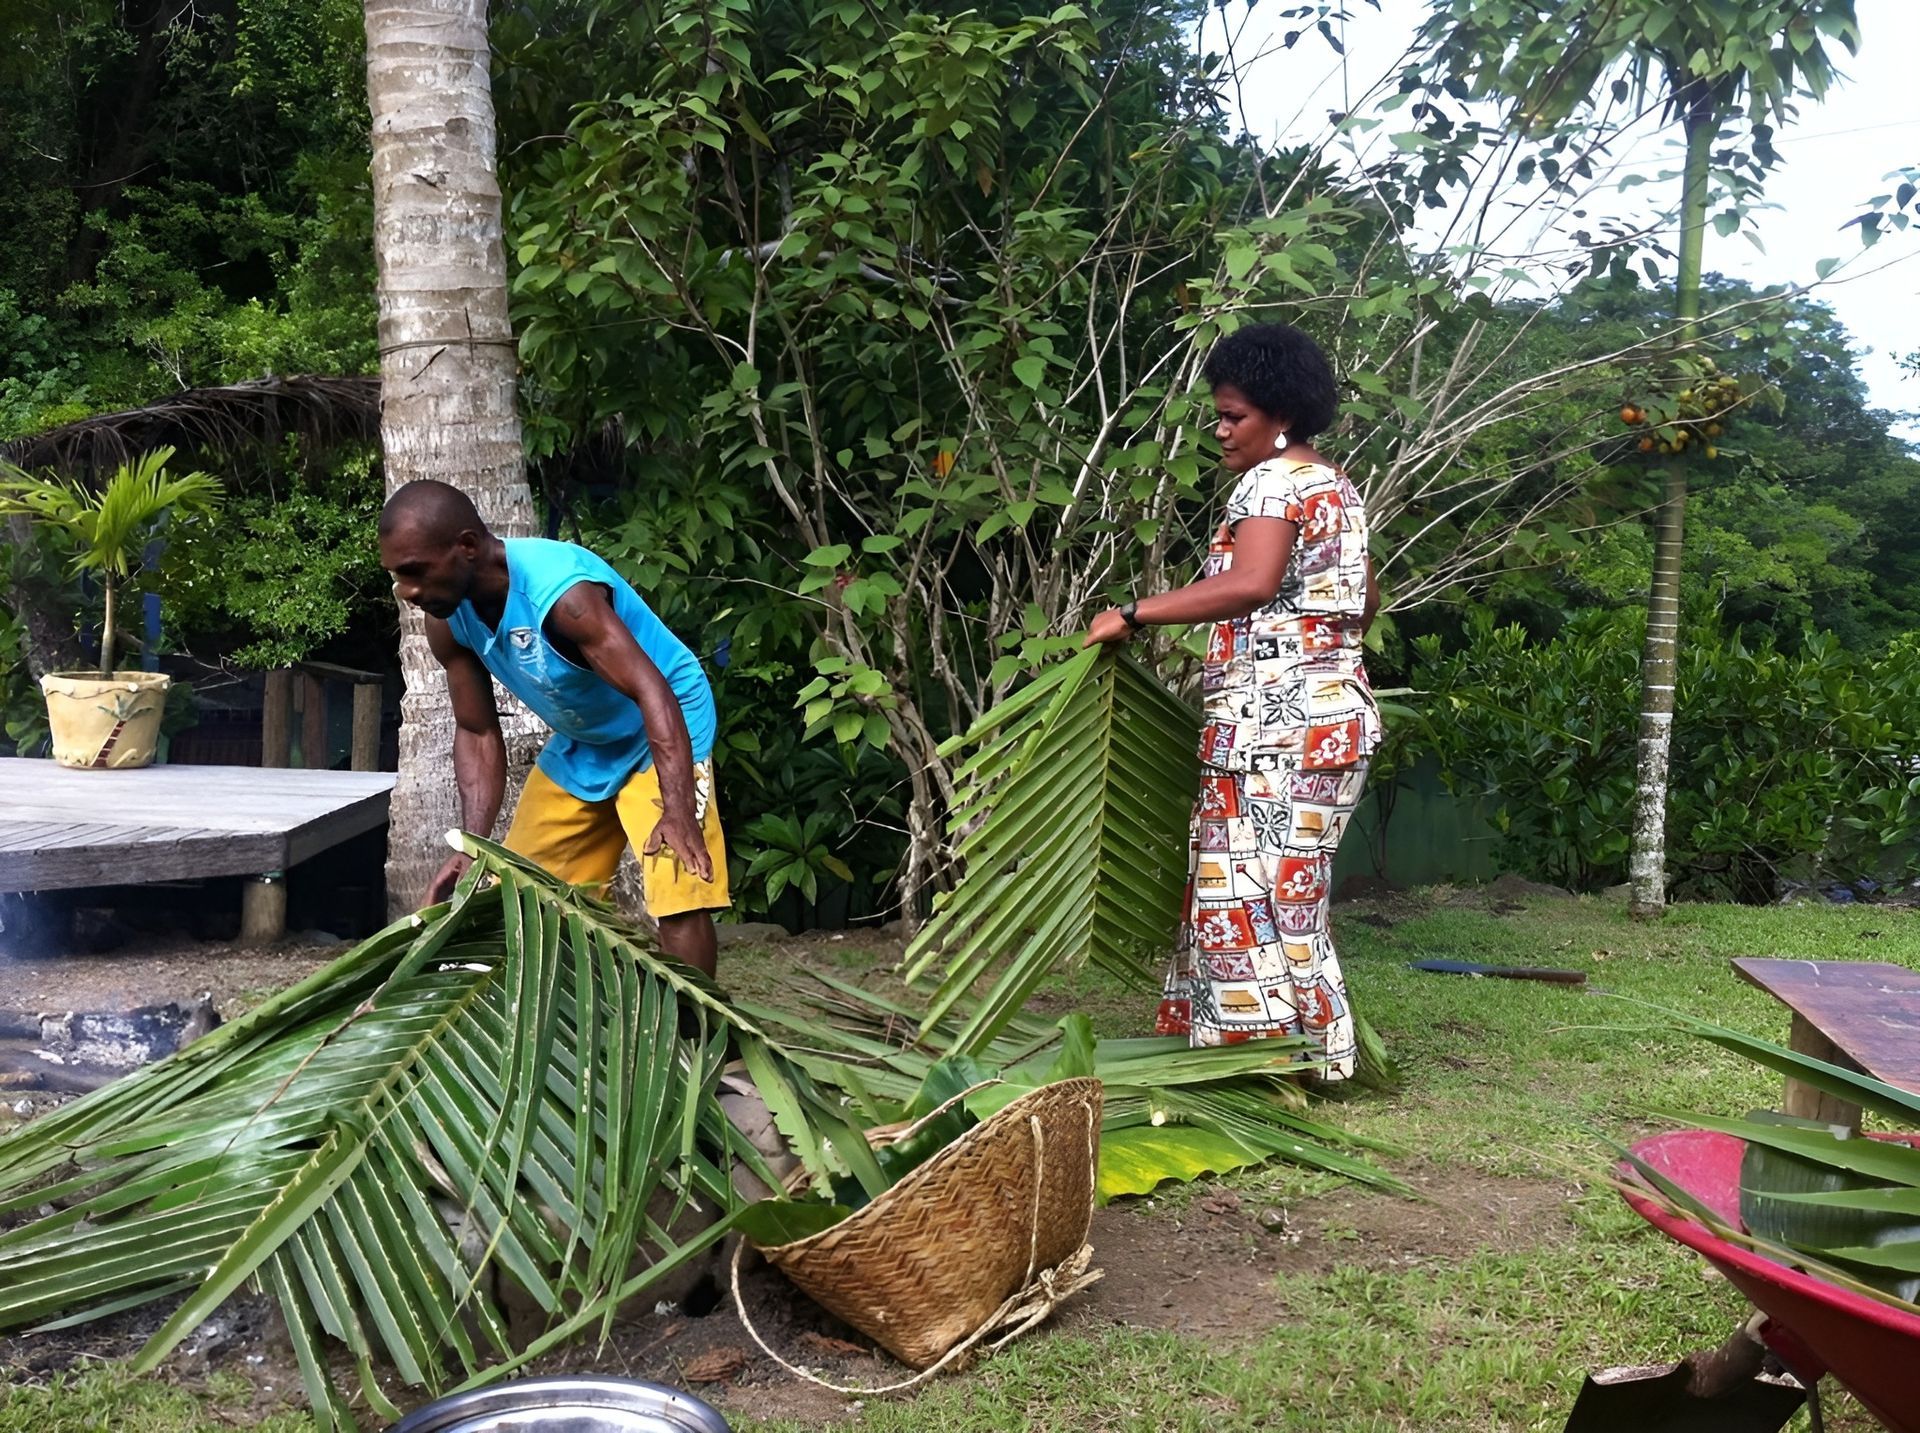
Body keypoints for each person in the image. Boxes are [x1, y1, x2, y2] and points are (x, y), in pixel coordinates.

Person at [1085, 322, 1379, 1079]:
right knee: (1291, 901)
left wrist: (1135, 612)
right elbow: (1363, 602)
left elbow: (1250, 583)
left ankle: (1261, 1070)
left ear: (1280, 413)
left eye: (1234, 416)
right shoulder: (1335, 487)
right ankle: (1317, 1059)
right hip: (1334, 720)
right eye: (1219, 415)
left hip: (1273, 734)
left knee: (1241, 899)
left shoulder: (1273, 482)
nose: (1221, 431)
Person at [378, 480, 728, 975]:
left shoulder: (563, 595)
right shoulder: (448, 619)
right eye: (397, 577)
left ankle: (702, 1043)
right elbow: (477, 732)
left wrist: (676, 807)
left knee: (679, 886)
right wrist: (473, 846)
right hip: (587, 741)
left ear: (468, 547)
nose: (408, 592)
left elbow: (654, 691)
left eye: (415, 572)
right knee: (525, 893)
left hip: (668, 724)